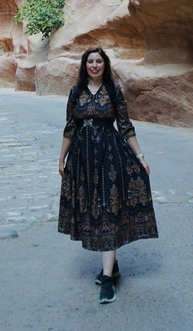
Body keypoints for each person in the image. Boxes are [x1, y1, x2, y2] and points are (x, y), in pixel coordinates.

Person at [58, 47, 158, 304]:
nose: (94, 65)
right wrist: (62, 158)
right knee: (92, 210)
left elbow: (125, 126)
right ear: (84, 65)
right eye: (90, 61)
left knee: (108, 211)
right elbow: (70, 125)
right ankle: (111, 267)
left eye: (98, 61)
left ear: (105, 64)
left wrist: (140, 156)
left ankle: (106, 278)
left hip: (110, 157)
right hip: (82, 159)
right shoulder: (76, 92)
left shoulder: (113, 91)